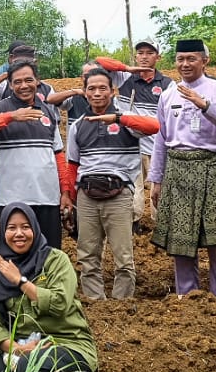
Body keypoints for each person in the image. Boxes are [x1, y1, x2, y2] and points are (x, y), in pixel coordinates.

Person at [148, 39, 216, 299]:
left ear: (205, 61)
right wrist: (156, 180)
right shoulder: (168, 95)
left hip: (212, 166)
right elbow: (161, 139)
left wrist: (205, 106)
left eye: (191, 58)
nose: (185, 64)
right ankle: (187, 297)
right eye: (180, 59)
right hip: (177, 169)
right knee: (181, 239)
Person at [60, 70, 159, 301]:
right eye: (91, 88)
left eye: (102, 88)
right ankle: (96, 301)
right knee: (87, 253)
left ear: (112, 91)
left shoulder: (126, 119)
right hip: (87, 194)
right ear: (84, 93)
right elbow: (73, 164)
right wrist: (68, 195)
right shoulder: (78, 126)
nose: (97, 93)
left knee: (123, 254)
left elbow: (154, 126)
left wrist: (116, 119)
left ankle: (122, 303)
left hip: (119, 194)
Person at [0, 203, 97, 372]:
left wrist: (20, 281)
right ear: (3, 233)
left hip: (65, 345)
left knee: (29, 368)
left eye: (25, 227)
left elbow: (60, 304)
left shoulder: (56, 260)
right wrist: (18, 349)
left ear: (35, 228)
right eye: (11, 228)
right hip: (21, 349)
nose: (19, 234)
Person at [0, 60, 64, 247]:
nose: (23, 86)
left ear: (37, 81)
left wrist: (66, 193)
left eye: (28, 80)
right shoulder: (0, 108)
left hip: (48, 198)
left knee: (49, 252)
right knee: (14, 253)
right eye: (17, 82)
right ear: (10, 85)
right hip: (13, 199)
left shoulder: (48, 111)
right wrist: (11, 116)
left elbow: (58, 155)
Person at [93, 41, 169, 226]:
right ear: (135, 56)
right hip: (131, 145)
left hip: (157, 146)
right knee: (134, 189)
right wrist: (128, 68)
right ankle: (134, 226)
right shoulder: (124, 78)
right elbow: (100, 61)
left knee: (160, 189)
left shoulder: (167, 84)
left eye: (149, 53)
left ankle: (161, 227)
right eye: (140, 53)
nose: (144, 56)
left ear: (158, 57)